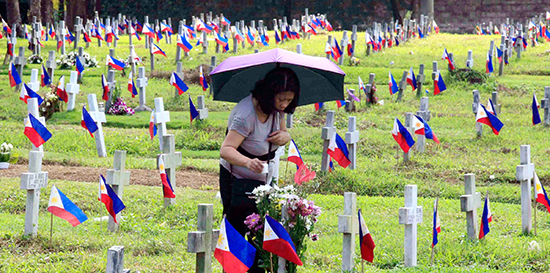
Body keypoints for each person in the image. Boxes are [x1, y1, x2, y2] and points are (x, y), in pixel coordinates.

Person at [219, 67, 300, 271]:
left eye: (289, 100)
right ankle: (235, 269)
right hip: (236, 179)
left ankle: (258, 269)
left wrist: (286, 137)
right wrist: (247, 162)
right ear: (269, 92)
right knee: (238, 230)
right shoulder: (245, 115)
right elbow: (226, 150)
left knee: (261, 229)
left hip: (264, 178)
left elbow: (283, 133)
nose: (284, 104)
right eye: (281, 99)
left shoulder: (276, 110)